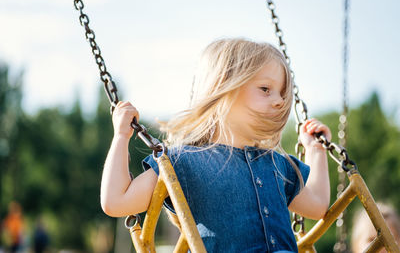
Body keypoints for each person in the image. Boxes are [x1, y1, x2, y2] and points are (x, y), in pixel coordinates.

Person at [100, 38, 331, 252]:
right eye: (265, 89)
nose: (280, 101)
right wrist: (121, 136)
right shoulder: (183, 162)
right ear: (224, 89)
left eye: (281, 94)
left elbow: (317, 205)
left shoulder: (276, 164)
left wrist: (316, 149)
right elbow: (117, 201)